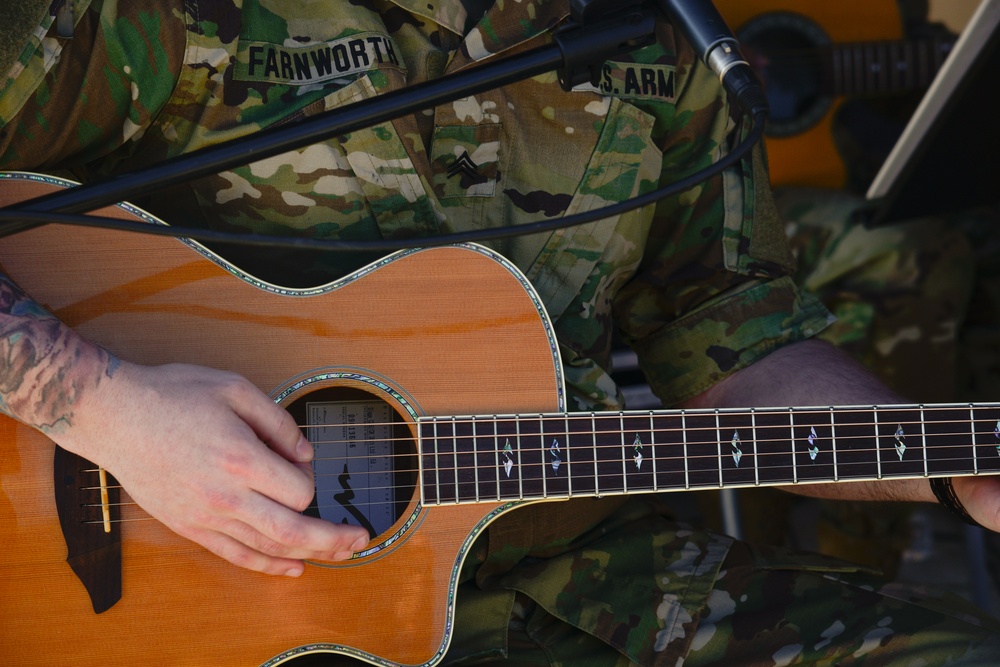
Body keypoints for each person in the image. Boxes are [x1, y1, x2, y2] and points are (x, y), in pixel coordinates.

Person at [2, 1, 1000, 665]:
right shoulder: (165, 19)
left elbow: (740, 345)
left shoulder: (665, 43)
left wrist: (951, 467)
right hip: (238, 615)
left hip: (589, 578)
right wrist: (105, 406)